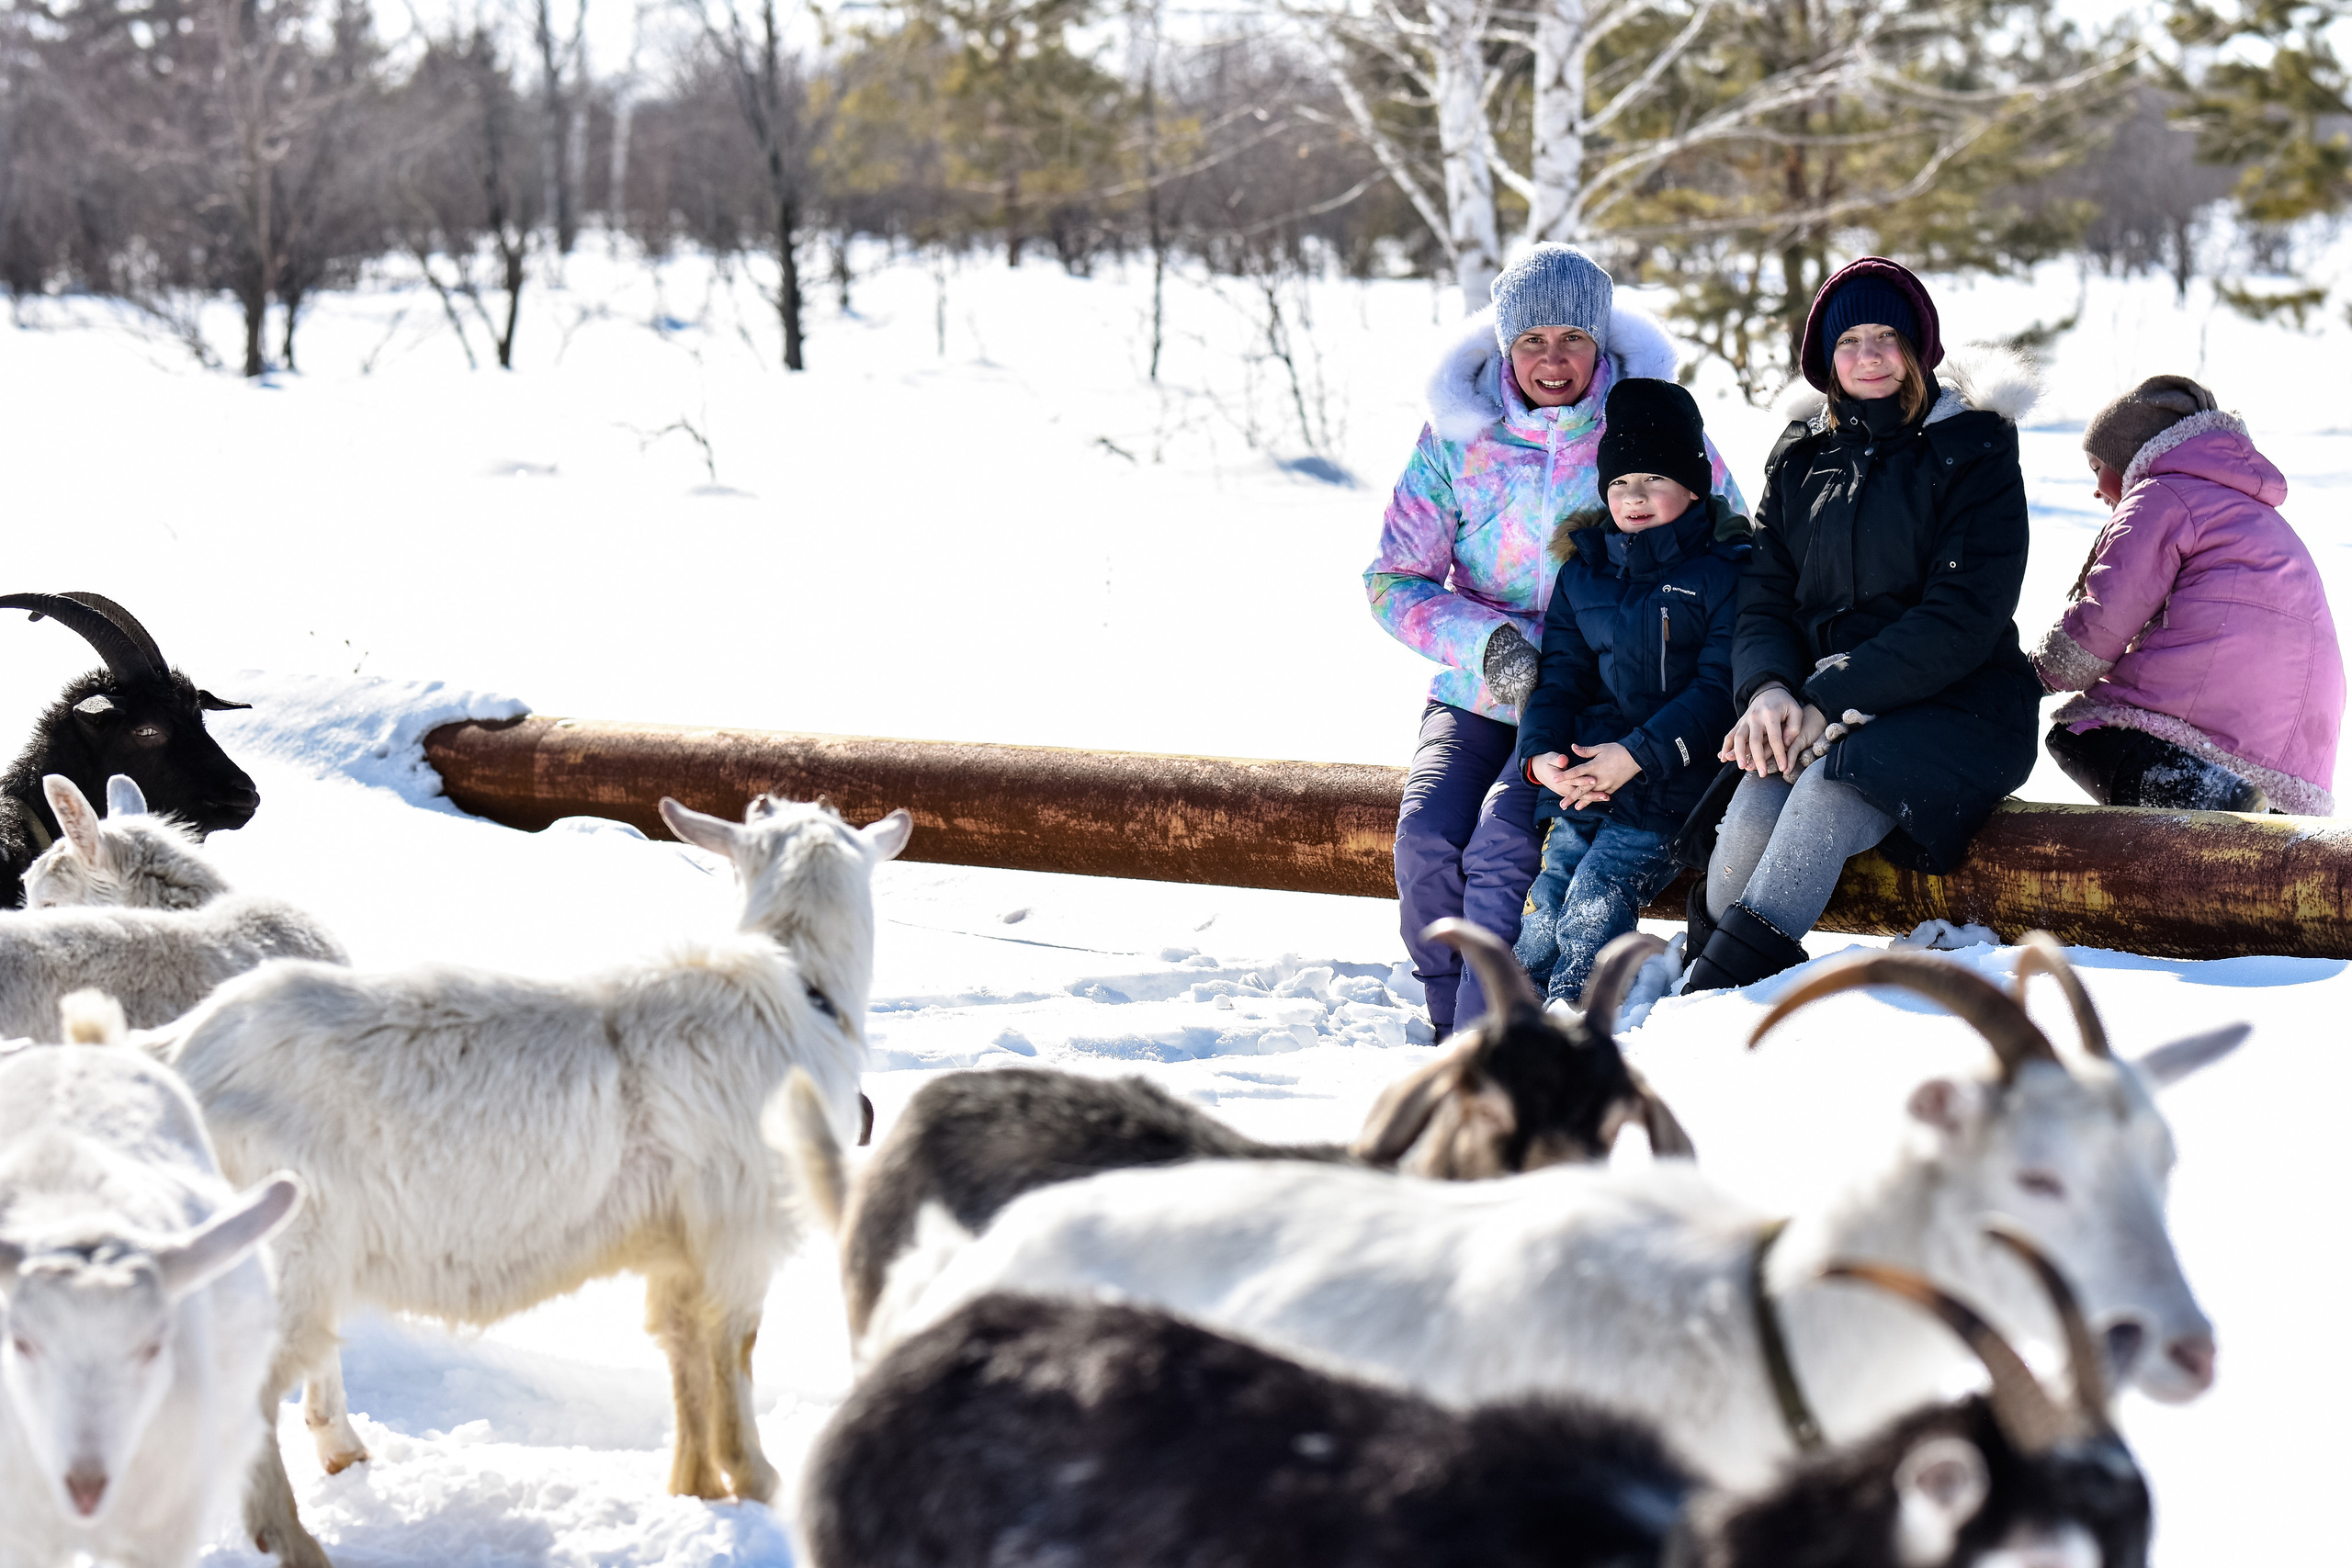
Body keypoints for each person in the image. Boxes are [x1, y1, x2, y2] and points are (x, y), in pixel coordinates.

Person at [1366, 244, 1746, 1039]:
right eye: (1531, 340)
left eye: (1572, 336)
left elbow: (1730, 543)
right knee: (1427, 838)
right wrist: (1492, 646)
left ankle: (1485, 1044)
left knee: (1506, 849)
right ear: (1505, 345)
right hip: (1480, 688)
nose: (1552, 358)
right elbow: (1393, 580)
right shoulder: (1456, 438)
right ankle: (1447, 1023)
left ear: (1601, 341)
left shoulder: (1645, 427)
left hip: (1600, 693)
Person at [1680, 256, 2042, 993]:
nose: (1868, 355)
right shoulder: (1802, 455)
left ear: (1917, 348)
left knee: (1825, 791)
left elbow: (1962, 617)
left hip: (1957, 705)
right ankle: (1704, 984)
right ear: (1824, 358)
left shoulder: (1973, 446)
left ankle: (1711, 1007)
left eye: (1886, 336)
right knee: (1752, 802)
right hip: (1817, 705)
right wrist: (1769, 693)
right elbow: (1765, 597)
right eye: (1849, 341)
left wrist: (1827, 697)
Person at [1514, 378, 1750, 1005]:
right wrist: (1544, 761)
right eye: (1620, 483)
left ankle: (1574, 1028)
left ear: (1694, 487)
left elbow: (1718, 690)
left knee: (1593, 902)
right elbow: (1560, 676)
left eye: (1653, 480)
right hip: (1587, 782)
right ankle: (1513, 1023)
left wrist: (1636, 755)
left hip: (1673, 789)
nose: (1634, 497)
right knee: (1545, 908)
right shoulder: (1584, 571)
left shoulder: (1727, 571)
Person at [2030, 375, 2343, 815]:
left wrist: (2037, 674)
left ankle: (2206, 797)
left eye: (2098, 467)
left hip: (2214, 728)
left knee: (2079, 733)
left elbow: (2106, 616)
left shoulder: (2160, 497)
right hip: (2299, 759)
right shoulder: (2252, 511)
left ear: (2130, 457)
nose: (2097, 488)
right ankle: (2246, 808)